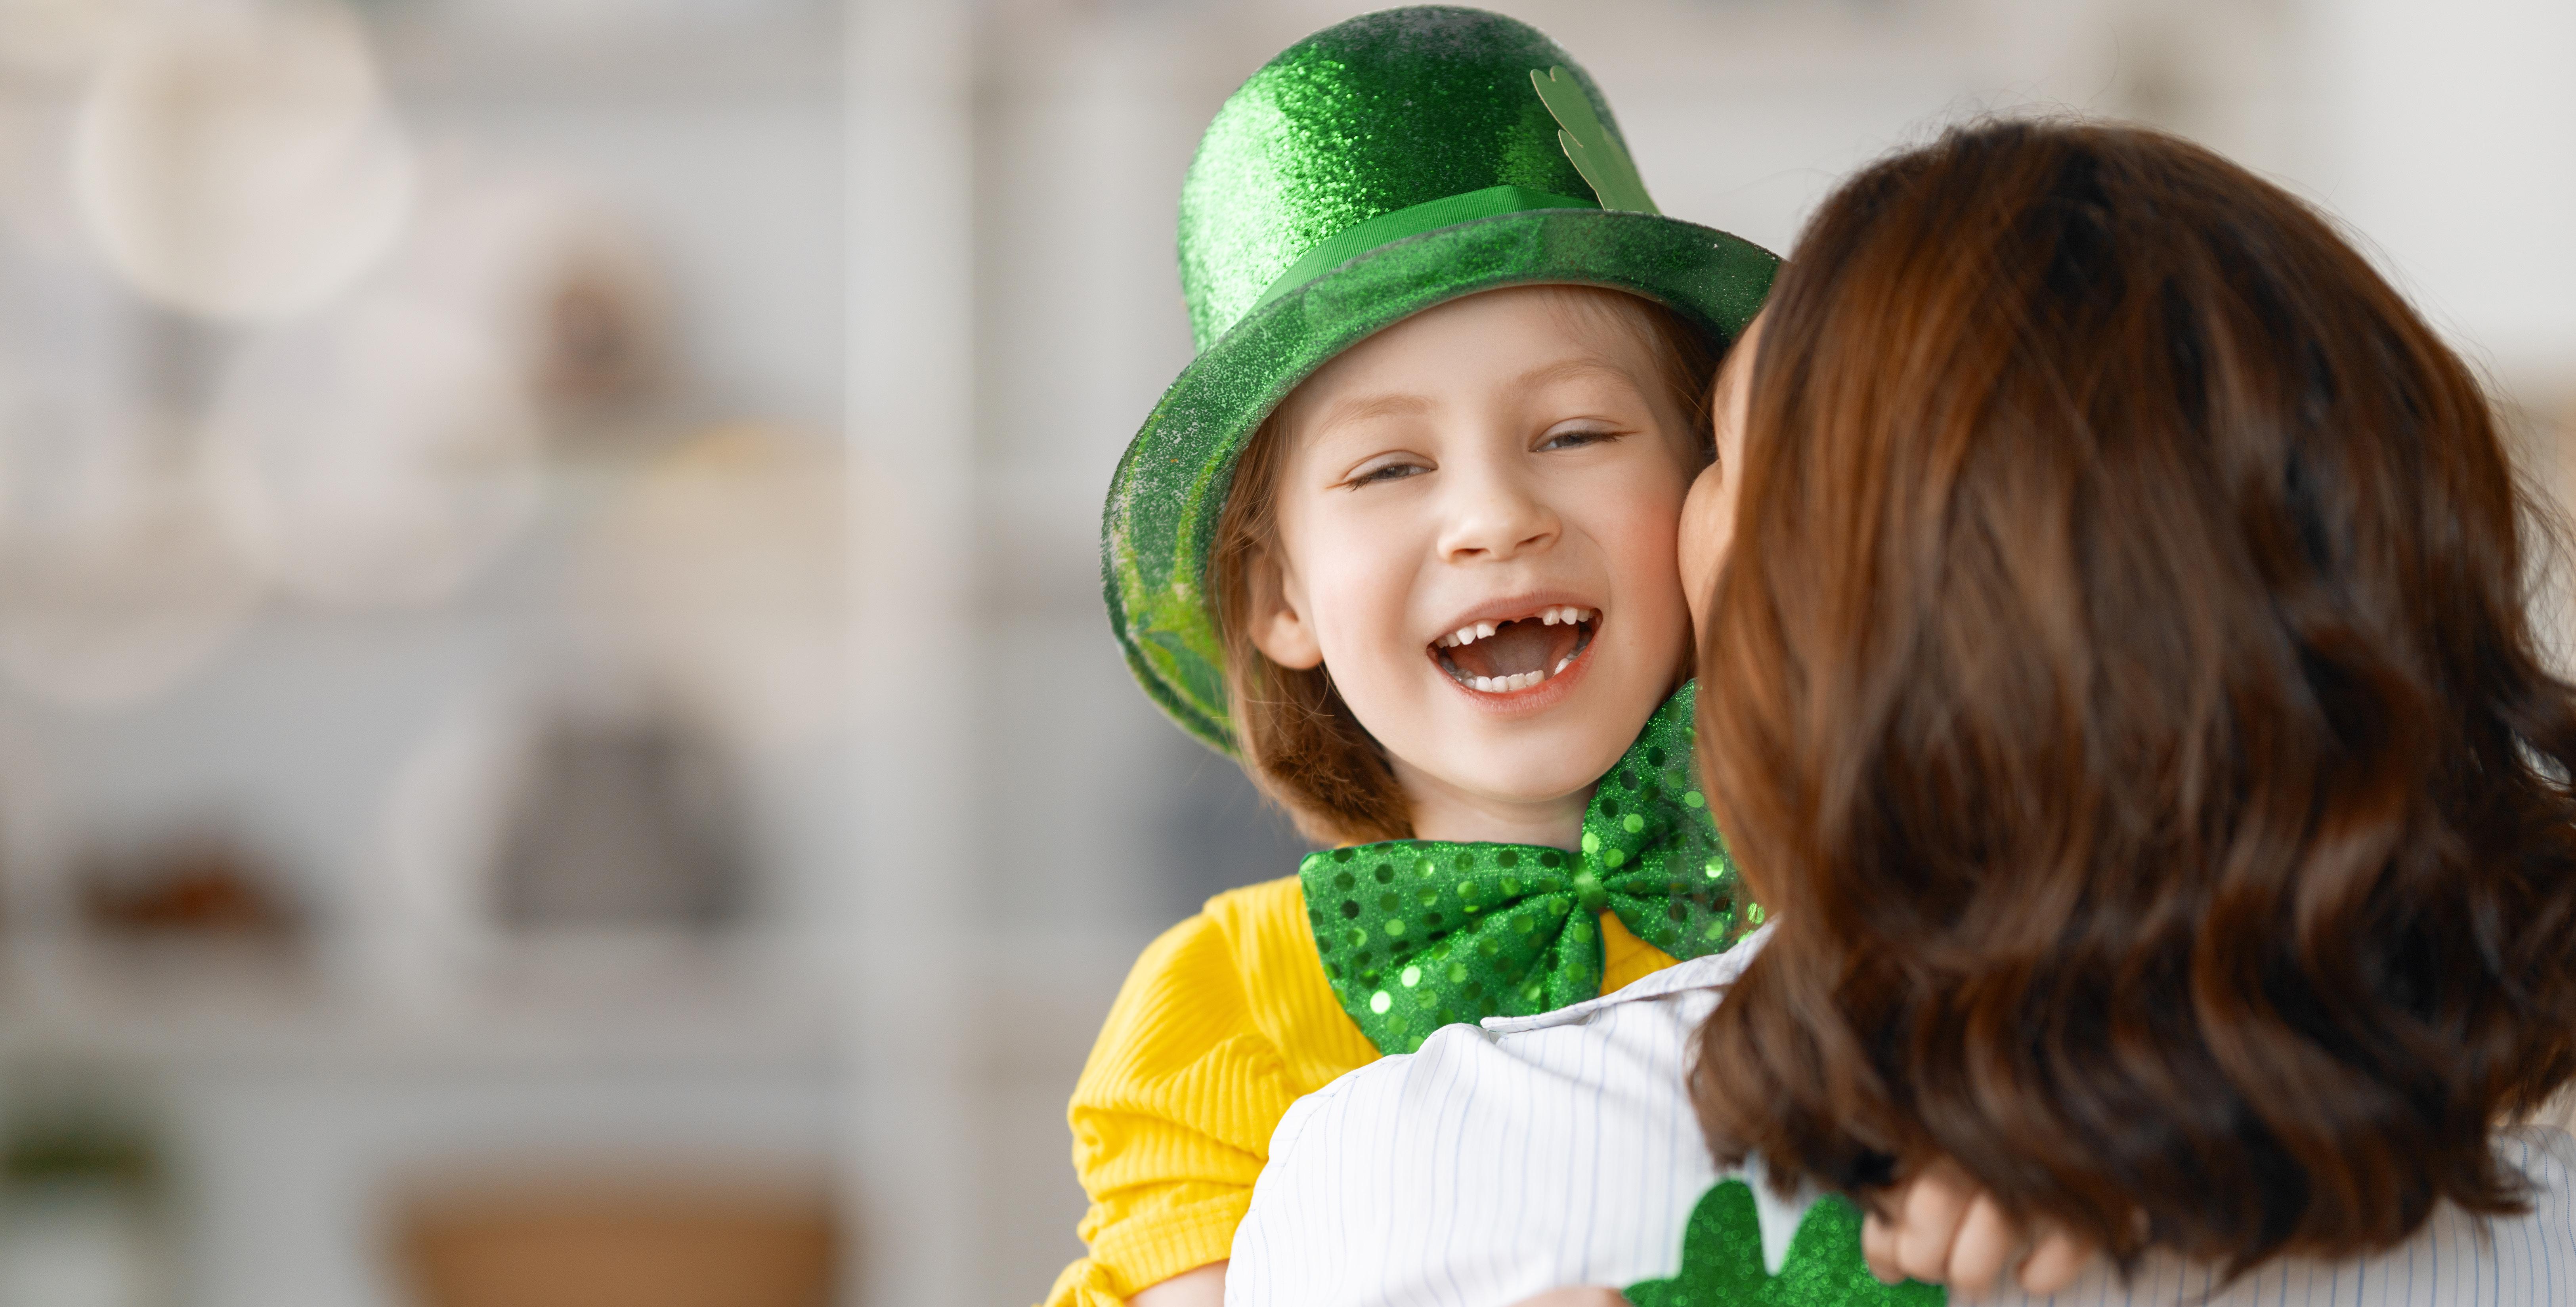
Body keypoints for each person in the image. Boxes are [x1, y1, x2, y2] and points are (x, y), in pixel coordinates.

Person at [1227, 118, 2576, 1306]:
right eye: (1388, 466)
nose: (1498, 520)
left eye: (1717, 455)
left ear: (1839, 605)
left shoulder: (1415, 1172)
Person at [1051, 10, 1777, 1307]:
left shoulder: (1860, 881)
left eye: (1574, 434)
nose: (1495, 516)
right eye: (1389, 466)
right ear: (1279, 596)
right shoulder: (1225, 1004)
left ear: (1708, 493)